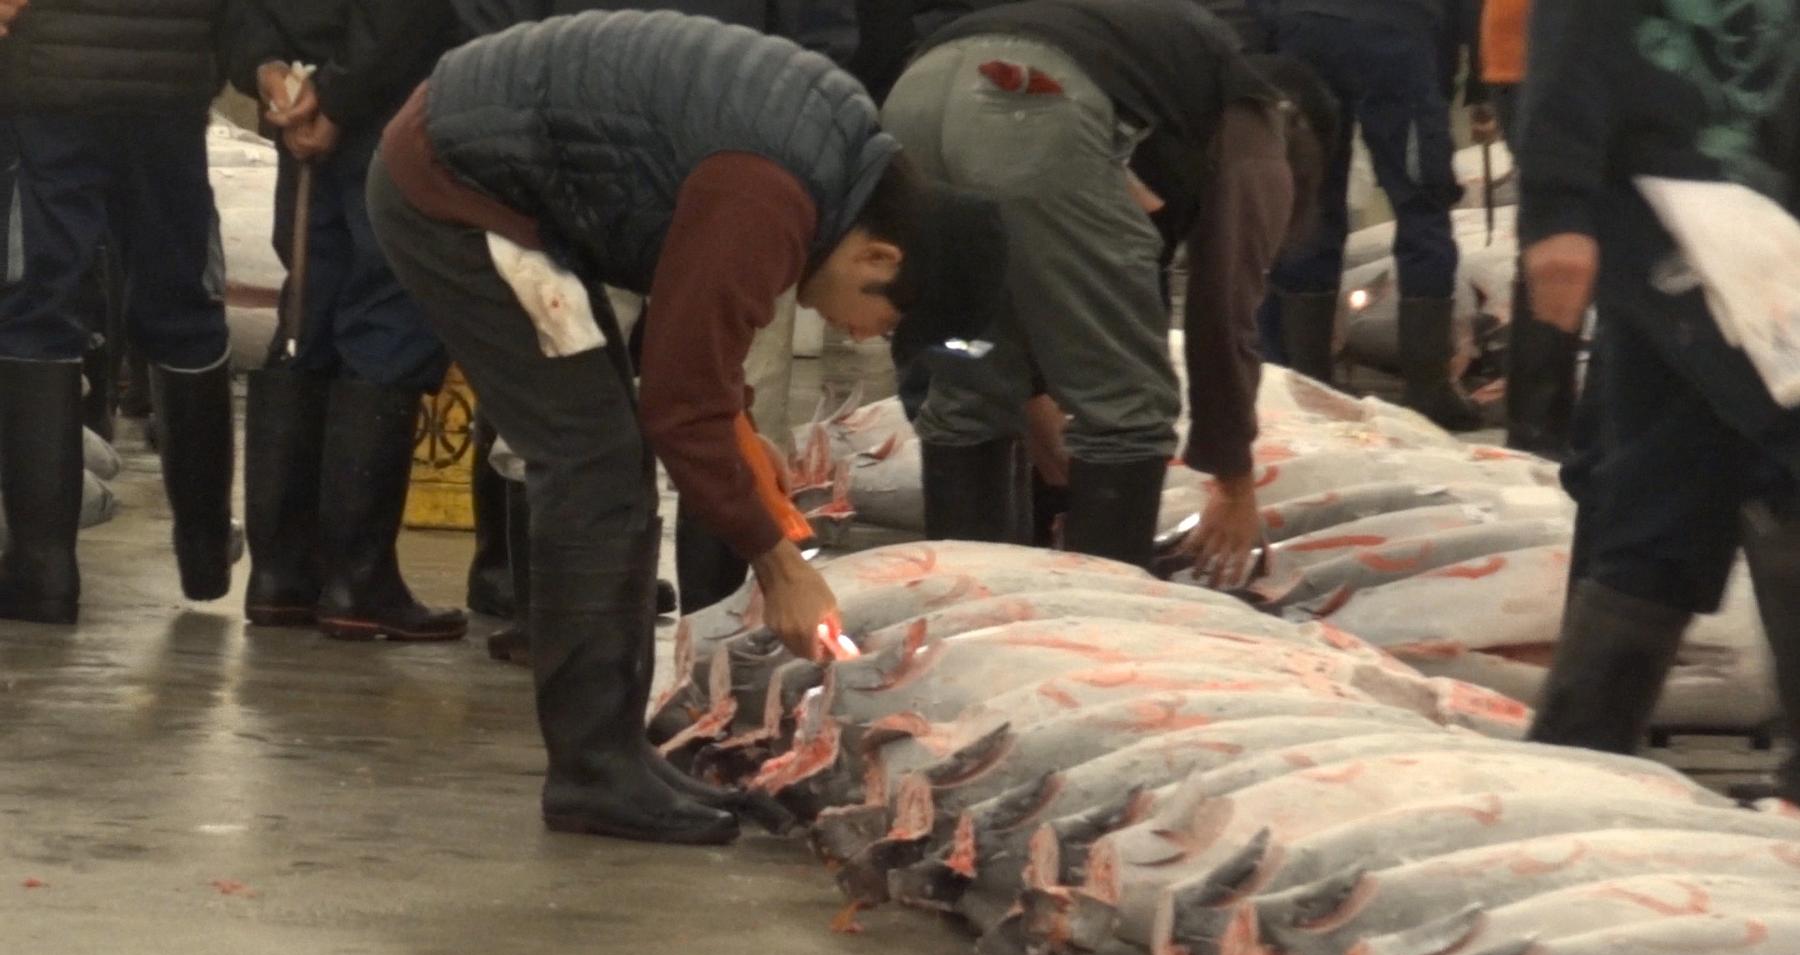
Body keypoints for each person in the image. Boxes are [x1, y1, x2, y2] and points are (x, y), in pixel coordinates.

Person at [367, 10, 1004, 844]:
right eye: (882, 322)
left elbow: (699, 355)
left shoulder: (828, 166)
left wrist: (739, 432)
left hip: (499, 173)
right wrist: (780, 565)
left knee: (609, 457)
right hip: (455, 188)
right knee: (591, 463)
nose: (862, 337)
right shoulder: (774, 193)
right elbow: (678, 403)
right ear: (880, 259)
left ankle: (615, 752)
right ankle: (594, 774)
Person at [880, 0, 1336, 576]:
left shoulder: (1152, 79)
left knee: (970, 391)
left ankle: (969, 608)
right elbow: (1222, 310)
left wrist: (1030, 397)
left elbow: (1040, 268)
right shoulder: (1256, 122)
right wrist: (1235, 478)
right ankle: (1101, 629)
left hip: (915, 93)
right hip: (1028, 98)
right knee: (1127, 411)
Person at [1517, 0, 1800, 799]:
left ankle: (1576, 758)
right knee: (1787, 442)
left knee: (1671, 483)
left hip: (1765, 225)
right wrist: (1557, 208)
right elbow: (1569, 47)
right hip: (1666, 216)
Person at [224, 0, 467, 641]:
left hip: (303, 98)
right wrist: (333, 98)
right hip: (390, 105)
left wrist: (270, 74)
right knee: (386, 313)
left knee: (310, 311)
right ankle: (358, 581)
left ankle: (284, 575)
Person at [0, 0, 237, 625]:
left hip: (50, 74)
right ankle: (206, 553)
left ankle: (43, 573)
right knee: (183, 299)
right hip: (171, 78)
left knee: (37, 304)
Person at [1263, 0, 1489, 431]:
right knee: (1423, 204)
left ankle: (1308, 385)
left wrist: (1269, 33)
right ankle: (1428, 390)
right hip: (1395, 32)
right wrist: (1480, 77)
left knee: (1309, 200)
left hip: (1303, 26)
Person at [1477, 0, 1576, 459]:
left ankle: (1544, 419)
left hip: (1533, 54)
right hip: (1549, 55)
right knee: (1559, 234)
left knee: (1556, 231)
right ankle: (1539, 426)